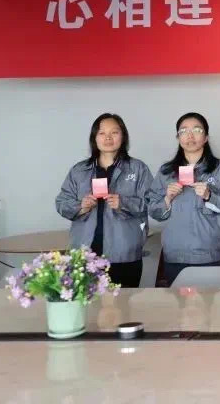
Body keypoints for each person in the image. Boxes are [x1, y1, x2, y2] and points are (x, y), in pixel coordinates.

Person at [54, 113, 153, 287]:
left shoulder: (138, 169)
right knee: (87, 303)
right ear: (94, 138)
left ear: (123, 136)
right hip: (85, 254)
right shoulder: (79, 170)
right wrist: (81, 206)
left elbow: (152, 202)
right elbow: (62, 202)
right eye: (102, 133)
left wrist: (124, 203)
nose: (108, 138)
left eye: (114, 132)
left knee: (123, 303)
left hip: (124, 254)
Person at [148, 113, 220, 286]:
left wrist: (209, 196)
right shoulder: (166, 171)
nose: (190, 135)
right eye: (183, 131)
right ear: (178, 137)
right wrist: (167, 198)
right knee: (177, 303)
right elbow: (154, 212)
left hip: (210, 254)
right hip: (175, 254)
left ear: (206, 137)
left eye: (197, 130)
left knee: (210, 303)